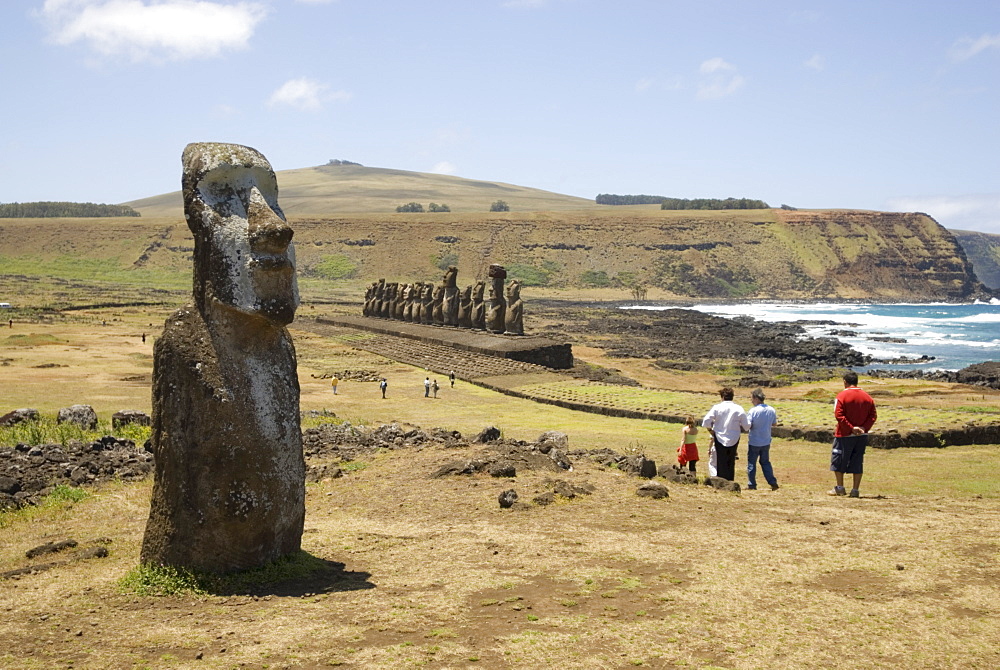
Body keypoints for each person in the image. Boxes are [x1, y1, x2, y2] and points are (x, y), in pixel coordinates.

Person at [830, 371, 877, 498]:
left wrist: (851, 428)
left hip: (844, 434)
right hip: (861, 435)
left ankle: (840, 487)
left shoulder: (841, 396)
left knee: (838, 459)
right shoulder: (868, 397)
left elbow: (838, 415)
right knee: (858, 460)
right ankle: (855, 489)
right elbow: (873, 415)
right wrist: (864, 428)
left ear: (845, 382)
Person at [702, 387, 750, 481]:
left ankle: (721, 481)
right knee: (731, 461)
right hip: (734, 437)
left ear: (722, 397)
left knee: (721, 461)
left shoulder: (717, 407)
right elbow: (747, 425)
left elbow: (706, 421)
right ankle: (730, 480)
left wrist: (710, 430)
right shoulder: (738, 408)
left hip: (719, 437)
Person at [746, 388, 779, 491]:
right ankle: (772, 482)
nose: (751, 400)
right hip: (766, 440)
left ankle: (752, 484)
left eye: (752, 398)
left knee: (752, 463)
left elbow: (748, 425)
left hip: (755, 441)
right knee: (765, 462)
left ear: (756, 398)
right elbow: (774, 423)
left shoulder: (753, 411)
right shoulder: (771, 409)